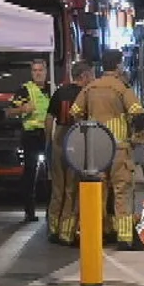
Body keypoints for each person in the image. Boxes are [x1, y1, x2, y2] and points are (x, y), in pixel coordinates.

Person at [71, 49, 144, 250]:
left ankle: (96, 235)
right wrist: (133, 135)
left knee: (97, 193)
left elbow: (75, 113)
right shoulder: (122, 88)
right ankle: (125, 237)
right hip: (119, 149)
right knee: (122, 192)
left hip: (96, 151)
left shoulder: (90, 88)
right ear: (119, 65)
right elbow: (139, 117)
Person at [44, 61, 94, 245]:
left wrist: (49, 142)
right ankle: (67, 232)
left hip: (59, 138)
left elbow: (49, 119)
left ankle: (53, 228)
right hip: (76, 139)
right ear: (84, 76)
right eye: (91, 75)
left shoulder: (59, 92)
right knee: (71, 189)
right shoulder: (85, 94)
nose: (93, 79)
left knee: (57, 188)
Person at [11, 59, 53, 224]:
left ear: (46, 71)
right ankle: (29, 212)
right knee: (30, 174)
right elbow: (9, 112)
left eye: (40, 70)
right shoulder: (24, 90)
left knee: (52, 175)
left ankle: (52, 211)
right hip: (31, 136)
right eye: (35, 70)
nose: (38, 73)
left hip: (49, 135)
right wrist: (22, 109)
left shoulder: (52, 88)